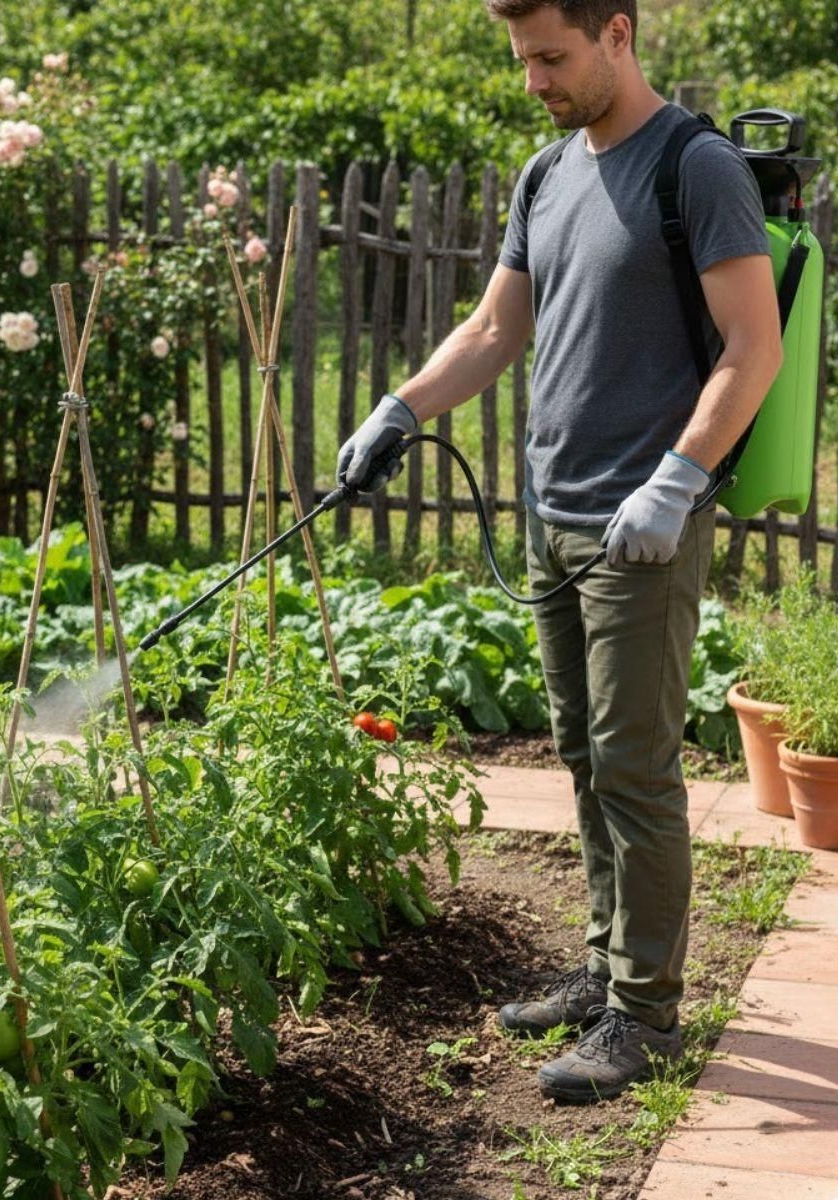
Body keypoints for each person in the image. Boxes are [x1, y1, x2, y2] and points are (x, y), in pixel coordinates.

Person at [336, 0, 783, 1103]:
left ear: (619, 34)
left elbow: (752, 345)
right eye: (522, 58)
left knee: (636, 770)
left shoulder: (699, 167)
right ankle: (602, 965)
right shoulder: (547, 174)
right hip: (555, 513)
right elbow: (495, 330)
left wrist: (678, 481)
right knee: (582, 756)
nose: (533, 78)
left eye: (552, 56)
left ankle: (647, 1015)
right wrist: (401, 407)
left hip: (642, 524)